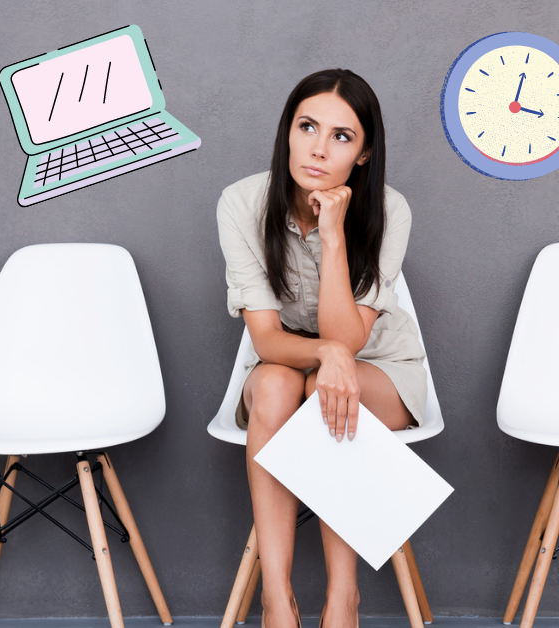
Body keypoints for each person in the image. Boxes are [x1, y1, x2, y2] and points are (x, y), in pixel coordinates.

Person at [216, 68, 428, 628]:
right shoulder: (242, 203)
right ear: (288, 129)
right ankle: (276, 598)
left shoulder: (390, 209)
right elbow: (265, 338)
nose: (317, 148)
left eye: (341, 136)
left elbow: (349, 340)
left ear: (362, 154)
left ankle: (342, 598)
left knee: (318, 391)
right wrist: (329, 357)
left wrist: (334, 235)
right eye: (307, 126)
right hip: (287, 358)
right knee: (284, 384)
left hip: (382, 366)